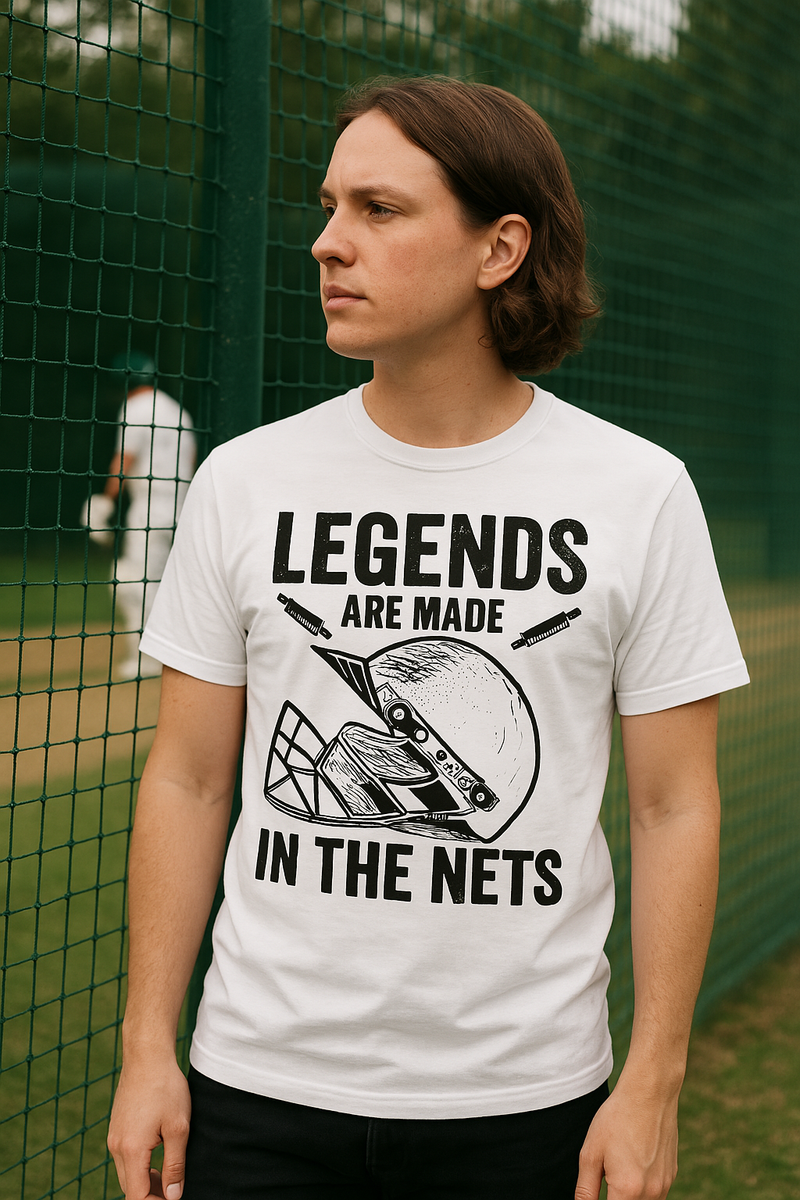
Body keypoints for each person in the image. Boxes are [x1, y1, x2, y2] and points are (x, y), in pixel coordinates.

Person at [107, 76, 749, 1200]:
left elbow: (673, 804)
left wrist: (650, 1081)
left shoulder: (636, 493)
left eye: (378, 210)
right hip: (254, 1089)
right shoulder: (244, 482)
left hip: (525, 1104)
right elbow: (190, 777)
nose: (325, 243)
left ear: (499, 247)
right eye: (327, 205)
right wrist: (144, 1050)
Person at [103, 353, 196, 679]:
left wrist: (105, 502)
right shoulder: (177, 410)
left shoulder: (135, 409)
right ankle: (185, 653)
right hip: (184, 508)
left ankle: (147, 658)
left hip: (149, 509)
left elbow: (124, 461)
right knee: (178, 587)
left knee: (134, 583)